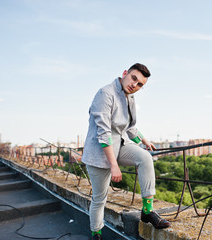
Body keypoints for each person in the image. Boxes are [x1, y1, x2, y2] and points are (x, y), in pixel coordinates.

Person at [82, 63, 170, 240]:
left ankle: (147, 211)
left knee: (145, 157)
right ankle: (96, 233)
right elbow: (104, 133)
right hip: (100, 153)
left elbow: (130, 127)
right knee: (100, 198)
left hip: (119, 146)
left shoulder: (129, 97)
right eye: (133, 79)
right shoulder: (105, 94)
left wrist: (144, 141)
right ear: (125, 74)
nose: (134, 85)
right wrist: (113, 166)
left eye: (139, 85)